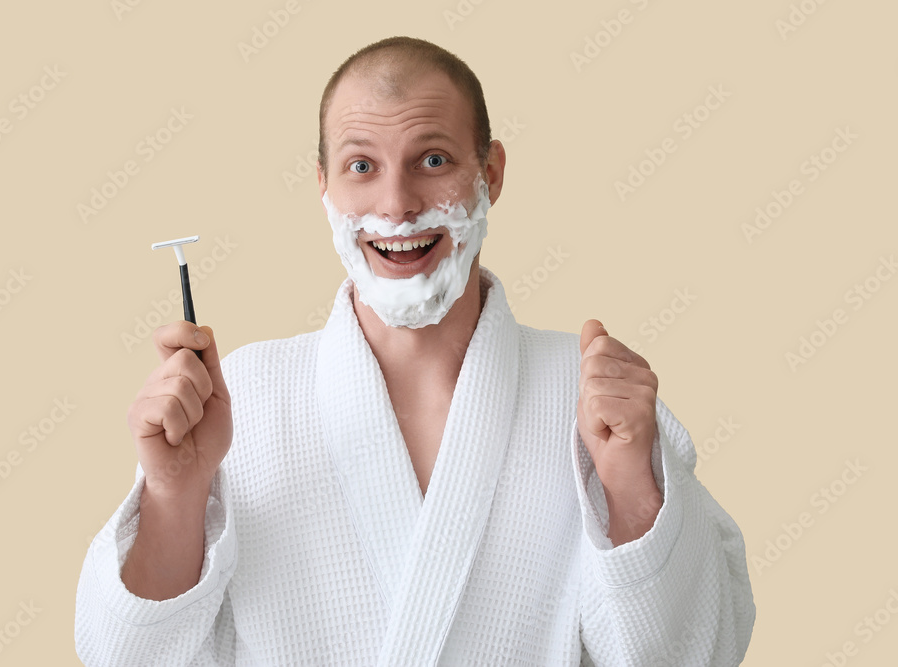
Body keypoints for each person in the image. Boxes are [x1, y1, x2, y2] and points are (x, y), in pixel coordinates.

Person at [75, 36, 755, 665]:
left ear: (490, 173)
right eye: (361, 166)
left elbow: (697, 652)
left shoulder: (591, 400)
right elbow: (125, 656)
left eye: (433, 160)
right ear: (324, 186)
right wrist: (173, 490)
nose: (396, 204)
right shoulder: (241, 398)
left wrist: (632, 485)